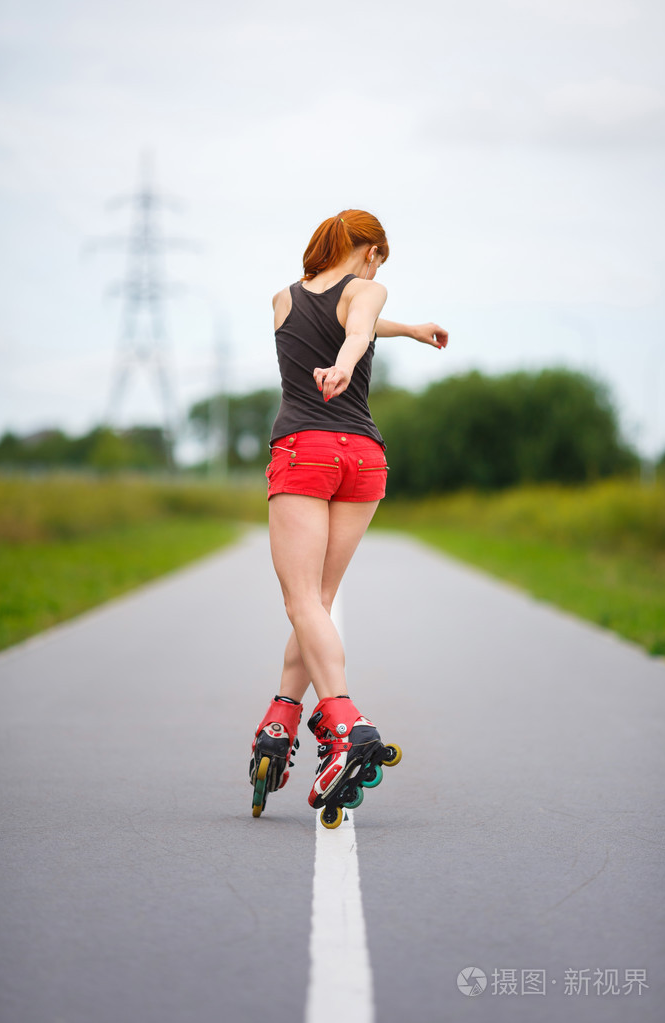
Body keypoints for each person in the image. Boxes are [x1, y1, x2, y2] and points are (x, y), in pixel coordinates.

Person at [249, 209, 447, 828]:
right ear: (367, 250)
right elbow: (357, 321)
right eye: (377, 257)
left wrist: (377, 343)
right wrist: (397, 332)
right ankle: (282, 717)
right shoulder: (367, 287)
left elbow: (353, 327)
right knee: (320, 599)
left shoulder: (281, 300)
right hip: (362, 457)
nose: (377, 268)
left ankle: (344, 722)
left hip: (304, 452)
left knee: (302, 600)